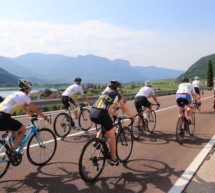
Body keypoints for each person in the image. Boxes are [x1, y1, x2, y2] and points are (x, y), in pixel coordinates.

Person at [0, 79, 51, 157]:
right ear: (26, 89)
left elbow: (22, 108)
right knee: (23, 129)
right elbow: (35, 109)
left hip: (3, 116)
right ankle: (12, 151)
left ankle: (14, 147)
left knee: (14, 130)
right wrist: (45, 117)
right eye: (30, 88)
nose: (30, 90)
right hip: (3, 117)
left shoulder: (14, 94)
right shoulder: (25, 96)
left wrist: (31, 115)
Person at [90, 80, 136, 166]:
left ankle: (96, 141)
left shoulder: (104, 93)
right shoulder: (117, 95)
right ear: (118, 88)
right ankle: (113, 159)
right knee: (112, 137)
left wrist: (114, 114)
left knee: (105, 125)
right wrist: (132, 116)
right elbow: (125, 109)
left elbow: (106, 108)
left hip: (92, 113)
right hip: (102, 114)